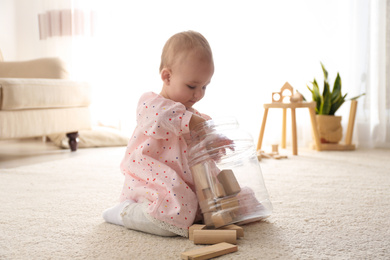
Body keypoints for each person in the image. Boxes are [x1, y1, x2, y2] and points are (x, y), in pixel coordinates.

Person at [103, 31, 219, 237]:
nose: (199, 94)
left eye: (205, 86)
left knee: (225, 202)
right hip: (155, 180)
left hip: (187, 183)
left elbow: (203, 156)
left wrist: (214, 143)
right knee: (171, 219)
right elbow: (163, 119)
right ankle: (125, 212)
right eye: (192, 86)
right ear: (167, 76)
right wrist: (195, 122)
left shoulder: (195, 117)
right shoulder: (152, 104)